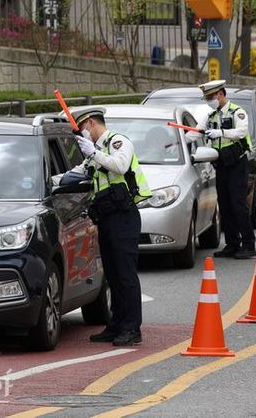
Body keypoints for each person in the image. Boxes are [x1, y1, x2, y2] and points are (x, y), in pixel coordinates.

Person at [71, 106, 151, 346]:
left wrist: (93, 153)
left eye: (83, 128)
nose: (82, 134)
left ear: (92, 124)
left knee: (125, 274)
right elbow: (79, 172)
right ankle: (116, 324)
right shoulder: (95, 152)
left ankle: (131, 328)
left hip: (124, 217)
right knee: (113, 274)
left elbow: (120, 166)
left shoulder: (117, 142)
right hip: (106, 217)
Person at [193, 80, 256, 259]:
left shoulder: (237, 112)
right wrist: (183, 138)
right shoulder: (210, 115)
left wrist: (221, 133)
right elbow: (197, 131)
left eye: (211, 97)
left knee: (238, 205)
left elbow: (242, 132)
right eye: (206, 98)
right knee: (225, 206)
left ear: (220, 94)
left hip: (237, 164)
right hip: (221, 164)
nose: (209, 101)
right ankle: (232, 244)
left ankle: (249, 244)